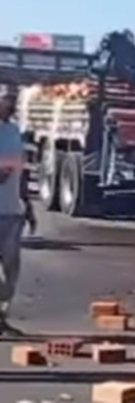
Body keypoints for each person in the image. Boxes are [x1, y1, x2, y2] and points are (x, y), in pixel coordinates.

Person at [0, 93, 26, 335]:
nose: (11, 104)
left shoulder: (14, 131)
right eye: (6, 100)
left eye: (13, 100)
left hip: (11, 211)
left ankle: (2, 318)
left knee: (11, 271)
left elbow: (19, 170)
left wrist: (26, 203)